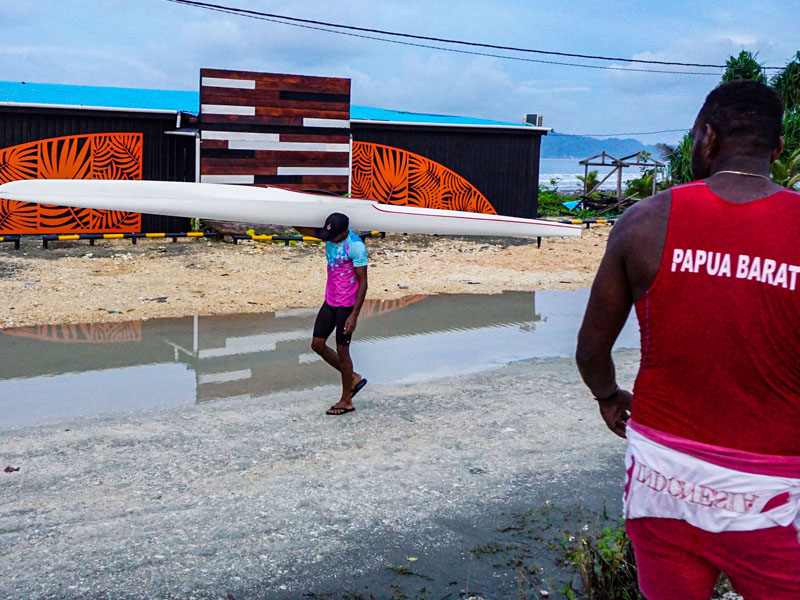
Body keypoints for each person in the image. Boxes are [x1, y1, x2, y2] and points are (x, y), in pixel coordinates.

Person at [576, 79, 800, 600]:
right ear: (779, 149)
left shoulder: (643, 223)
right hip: (771, 485)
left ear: (706, 138)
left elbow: (591, 350)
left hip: (663, 477)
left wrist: (608, 399)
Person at [296, 213, 368, 415]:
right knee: (317, 344)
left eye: (334, 236)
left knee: (343, 351)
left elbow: (363, 282)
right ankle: (353, 377)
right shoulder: (330, 233)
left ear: (345, 232)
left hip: (347, 306)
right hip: (330, 301)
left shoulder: (356, 246)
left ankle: (347, 401)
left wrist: (354, 315)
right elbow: (302, 229)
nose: (330, 240)